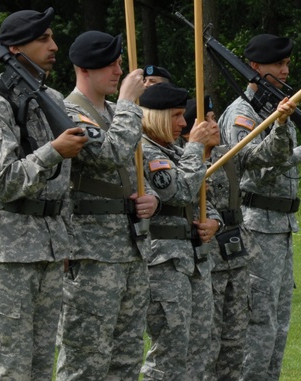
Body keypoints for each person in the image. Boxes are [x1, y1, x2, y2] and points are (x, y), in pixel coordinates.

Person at [218, 33, 301, 381]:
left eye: (286, 63)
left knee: (278, 323)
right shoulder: (242, 114)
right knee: (257, 322)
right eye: (278, 64)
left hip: (280, 227)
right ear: (255, 67)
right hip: (255, 226)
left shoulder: (274, 109)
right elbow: (246, 169)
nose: (285, 70)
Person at [0, 8, 88, 380]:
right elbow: (1, 183)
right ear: (15, 49)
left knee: (41, 366)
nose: (54, 46)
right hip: (7, 254)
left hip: (49, 248)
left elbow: (61, 187)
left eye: (52, 37)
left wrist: (66, 241)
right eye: (43, 39)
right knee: (6, 367)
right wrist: (53, 151)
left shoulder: (50, 98)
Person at [56, 30, 158, 381]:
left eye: (119, 64)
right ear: (85, 69)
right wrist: (130, 101)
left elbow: (138, 169)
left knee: (126, 358)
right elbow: (109, 155)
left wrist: (151, 198)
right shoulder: (68, 112)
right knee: (87, 358)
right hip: (91, 253)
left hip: (130, 248)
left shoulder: (117, 113)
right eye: (110, 65)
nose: (119, 72)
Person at [139, 82, 221, 381]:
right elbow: (179, 191)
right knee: (169, 352)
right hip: (165, 263)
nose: (183, 123)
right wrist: (196, 146)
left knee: (198, 347)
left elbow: (202, 197)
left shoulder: (175, 151)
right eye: (175, 116)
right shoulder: (146, 151)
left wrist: (214, 221)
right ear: (157, 117)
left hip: (193, 260)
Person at [194, 95, 251, 381]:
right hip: (207, 260)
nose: (215, 124)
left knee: (235, 340)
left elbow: (268, 156)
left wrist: (279, 124)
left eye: (215, 118)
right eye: (206, 119)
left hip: (235, 254)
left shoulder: (229, 155)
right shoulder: (183, 160)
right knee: (207, 342)